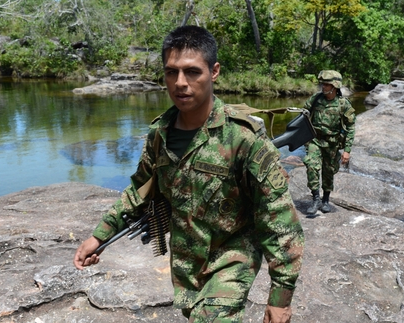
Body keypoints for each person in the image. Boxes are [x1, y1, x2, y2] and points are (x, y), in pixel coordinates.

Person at [73, 25, 304, 323]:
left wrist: (281, 298)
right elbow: (140, 190)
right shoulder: (160, 134)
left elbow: (280, 219)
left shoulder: (242, 138)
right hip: (187, 263)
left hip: (233, 255)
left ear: (214, 71)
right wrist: (99, 236)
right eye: (171, 72)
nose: (180, 83)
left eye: (192, 72)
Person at [303, 70, 356, 215]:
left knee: (328, 171)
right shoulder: (316, 99)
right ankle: (315, 199)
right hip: (315, 140)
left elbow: (351, 127)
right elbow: (303, 116)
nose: (323, 87)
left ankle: (325, 200)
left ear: (335, 86)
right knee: (311, 165)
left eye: (326, 84)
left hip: (332, 143)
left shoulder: (343, 104)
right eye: (323, 84)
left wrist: (347, 150)